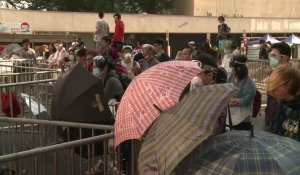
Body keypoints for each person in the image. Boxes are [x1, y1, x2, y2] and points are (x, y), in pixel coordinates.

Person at [267, 65, 300, 141]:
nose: (271, 91)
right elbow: (276, 130)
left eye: (276, 87)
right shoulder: (282, 103)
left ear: (290, 85)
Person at [265, 42, 292, 129]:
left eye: (273, 55)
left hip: (285, 121)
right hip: (272, 116)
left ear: (285, 58)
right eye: (270, 55)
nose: (270, 58)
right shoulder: (274, 72)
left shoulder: (292, 76)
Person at [227, 55, 256, 130]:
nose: (232, 70)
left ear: (238, 68)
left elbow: (248, 98)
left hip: (243, 116)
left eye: (233, 68)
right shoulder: (231, 76)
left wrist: (237, 101)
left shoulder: (249, 82)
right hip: (231, 113)